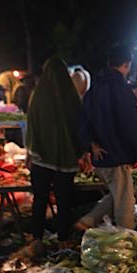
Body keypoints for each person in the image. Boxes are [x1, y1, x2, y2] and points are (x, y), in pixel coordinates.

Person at [79, 45, 137, 230]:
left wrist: (90, 144)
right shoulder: (121, 89)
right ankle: (125, 240)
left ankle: (88, 221)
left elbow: (82, 122)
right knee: (125, 204)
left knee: (118, 194)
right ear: (127, 64)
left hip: (100, 157)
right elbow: (131, 125)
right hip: (117, 155)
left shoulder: (93, 90)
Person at [24, 58, 85, 256]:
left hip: (41, 158)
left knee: (40, 199)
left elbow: (31, 126)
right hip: (66, 158)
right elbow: (79, 126)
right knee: (64, 200)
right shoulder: (72, 96)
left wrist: (29, 153)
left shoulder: (37, 95)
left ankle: (36, 238)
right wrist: (82, 152)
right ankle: (62, 240)